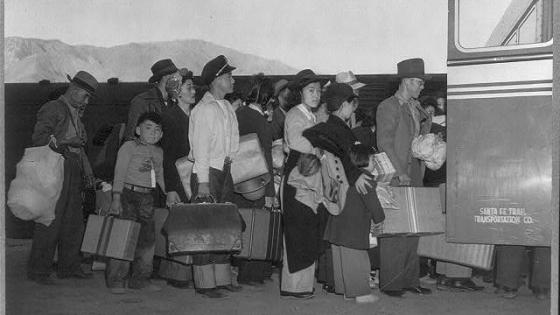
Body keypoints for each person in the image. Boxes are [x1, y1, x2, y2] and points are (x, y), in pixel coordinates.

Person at [27, 71, 98, 285]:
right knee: (50, 220)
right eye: (85, 96)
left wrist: (87, 173)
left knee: (73, 221)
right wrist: (66, 142)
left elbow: (81, 145)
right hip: (56, 166)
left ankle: (69, 266)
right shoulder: (53, 108)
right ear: (75, 91)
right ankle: (38, 271)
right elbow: (38, 138)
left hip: (72, 167)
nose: (87, 101)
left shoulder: (75, 111)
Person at [376, 58, 433, 297]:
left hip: (415, 174)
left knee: (413, 229)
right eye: (419, 83)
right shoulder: (387, 106)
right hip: (397, 174)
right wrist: (399, 171)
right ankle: (391, 283)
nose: (422, 87)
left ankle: (410, 280)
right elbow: (384, 142)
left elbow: (419, 137)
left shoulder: (414, 107)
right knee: (395, 230)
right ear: (406, 81)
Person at [188, 55, 241, 298]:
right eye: (229, 76)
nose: (233, 80)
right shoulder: (203, 110)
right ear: (216, 80)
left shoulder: (227, 107)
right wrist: (203, 184)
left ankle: (221, 278)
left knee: (225, 226)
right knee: (205, 230)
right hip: (207, 173)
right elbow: (201, 150)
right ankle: (205, 283)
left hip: (224, 171)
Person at [106, 112, 165, 294]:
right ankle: (116, 280)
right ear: (138, 130)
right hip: (127, 194)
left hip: (147, 198)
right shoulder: (128, 146)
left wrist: (168, 192)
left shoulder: (158, 151)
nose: (153, 133)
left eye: (157, 130)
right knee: (124, 238)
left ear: (161, 134)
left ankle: (140, 280)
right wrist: (116, 198)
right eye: (148, 128)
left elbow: (160, 175)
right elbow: (120, 172)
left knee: (147, 241)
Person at [280, 69, 324, 299]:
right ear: (300, 93)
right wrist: (319, 147)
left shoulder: (310, 115)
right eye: (311, 90)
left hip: (307, 173)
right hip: (298, 175)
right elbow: (297, 141)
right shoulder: (295, 115)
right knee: (298, 230)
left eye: (318, 91)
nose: (316, 95)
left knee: (306, 227)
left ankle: (303, 285)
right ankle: (294, 286)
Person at [232, 74, 277, 285]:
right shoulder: (259, 120)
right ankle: (252, 275)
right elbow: (266, 155)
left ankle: (246, 271)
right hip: (258, 180)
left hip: (238, 179)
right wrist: (270, 192)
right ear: (266, 97)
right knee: (256, 224)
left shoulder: (238, 113)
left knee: (244, 224)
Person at [158, 68, 197, 289]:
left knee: (189, 223)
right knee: (180, 225)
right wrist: (171, 188)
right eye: (189, 88)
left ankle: (186, 272)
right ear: (176, 92)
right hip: (177, 177)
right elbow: (167, 156)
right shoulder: (170, 117)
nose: (194, 91)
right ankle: (176, 274)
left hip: (191, 174)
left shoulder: (194, 115)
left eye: (194, 87)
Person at [124, 59, 181, 141]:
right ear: (166, 77)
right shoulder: (141, 101)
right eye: (176, 77)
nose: (179, 82)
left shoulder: (174, 101)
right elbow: (131, 136)